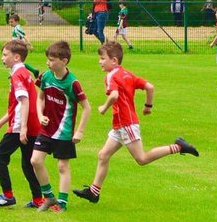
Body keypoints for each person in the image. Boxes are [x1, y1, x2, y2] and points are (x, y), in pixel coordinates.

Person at [72, 42, 198, 205]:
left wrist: (104, 107)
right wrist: (148, 106)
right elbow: (150, 87)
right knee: (103, 155)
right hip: (120, 125)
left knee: (142, 159)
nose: (100, 61)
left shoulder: (111, 76)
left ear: (114, 60)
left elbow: (114, 95)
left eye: (102, 58)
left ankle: (178, 147)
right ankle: (94, 193)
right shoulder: (128, 74)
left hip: (126, 124)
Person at [31, 41, 91, 213]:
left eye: (51, 60)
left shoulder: (72, 83)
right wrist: (41, 115)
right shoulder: (46, 77)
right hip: (46, 130)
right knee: (35, 160)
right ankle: (49, 197)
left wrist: (79, 131)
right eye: (47, 59)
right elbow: (40, 97)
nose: (47, 63)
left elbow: (87, 107)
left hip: (64, 132)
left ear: (64, 61)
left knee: (62, 166)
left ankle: (62, 203)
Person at [0, 39, 45, 208]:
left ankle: (7, 195)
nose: (2, 58)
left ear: (17, 57)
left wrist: (22, 128)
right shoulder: (23, 72)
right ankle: (38, 199)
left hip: (21, 125)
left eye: (5, 55)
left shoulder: (18, 74)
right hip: (31, 124)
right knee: (27, 163)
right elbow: (18, 104)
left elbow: (24, 101)